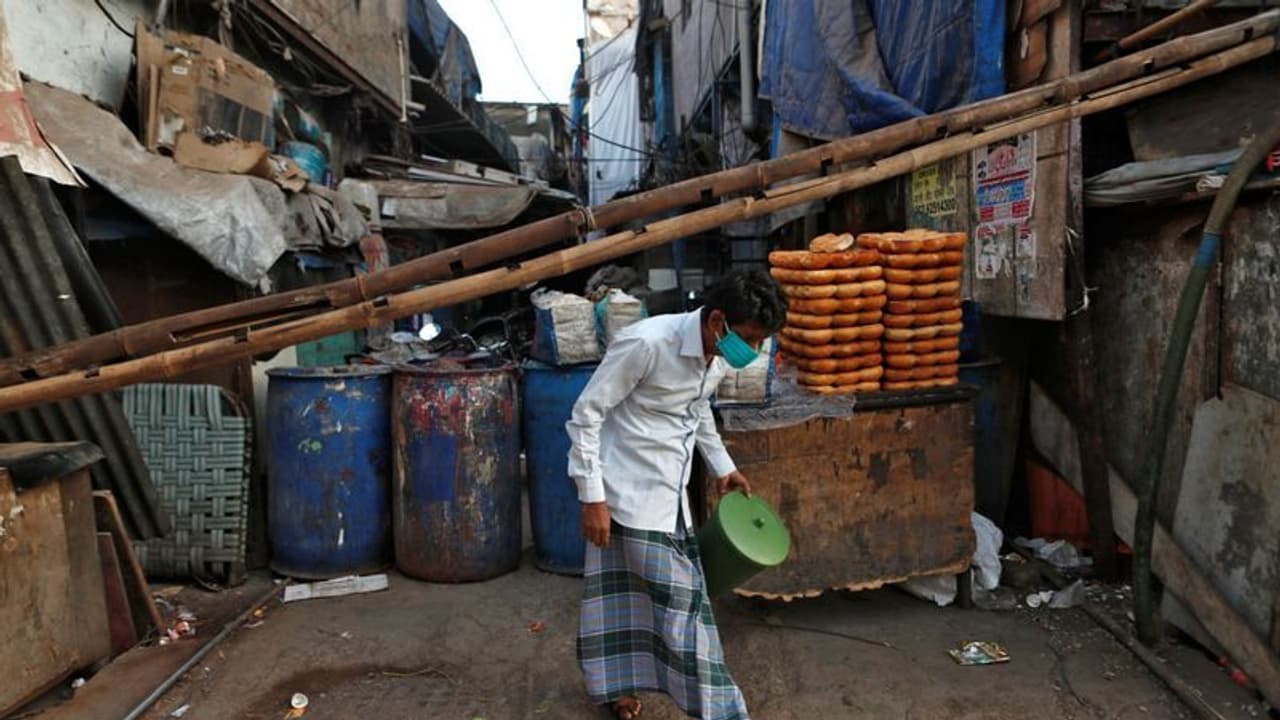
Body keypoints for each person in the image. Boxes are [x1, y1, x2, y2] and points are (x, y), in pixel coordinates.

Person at [567, 269, 787, 720]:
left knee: (627, 598)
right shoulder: (646, 343)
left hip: (673, 500)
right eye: (751, 338)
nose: (756, 351)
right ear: (718, 321)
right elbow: (586, 414)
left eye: (763, 341)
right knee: (688, 611)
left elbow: (699, 409)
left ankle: (618, 688)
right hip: (627, 497)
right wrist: (593, 498)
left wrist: (724, 467)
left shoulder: (717, 357)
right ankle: (725, 712)